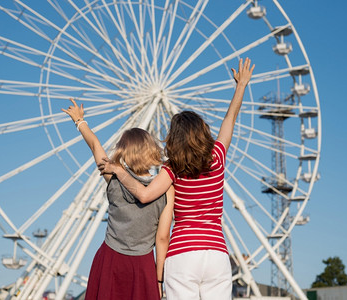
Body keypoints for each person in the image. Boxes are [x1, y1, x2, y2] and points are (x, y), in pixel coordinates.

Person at [98, 58, 254, 300]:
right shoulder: (217, 157)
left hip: (182, 253)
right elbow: (229, 120)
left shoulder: (172, 170)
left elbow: (144, 194)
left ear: (173, 139)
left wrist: (118, 171)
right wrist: (241, 85)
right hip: (216, 254)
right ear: (203, 132)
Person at [62, 99, 174, 300]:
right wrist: (159, 281)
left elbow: (95, 145)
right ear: (152, 151)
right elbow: (163, 237)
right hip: (143, 264)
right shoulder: (166, 190)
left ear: (124, 152)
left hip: (110, 258)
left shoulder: (114, 178)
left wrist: (80, 121)